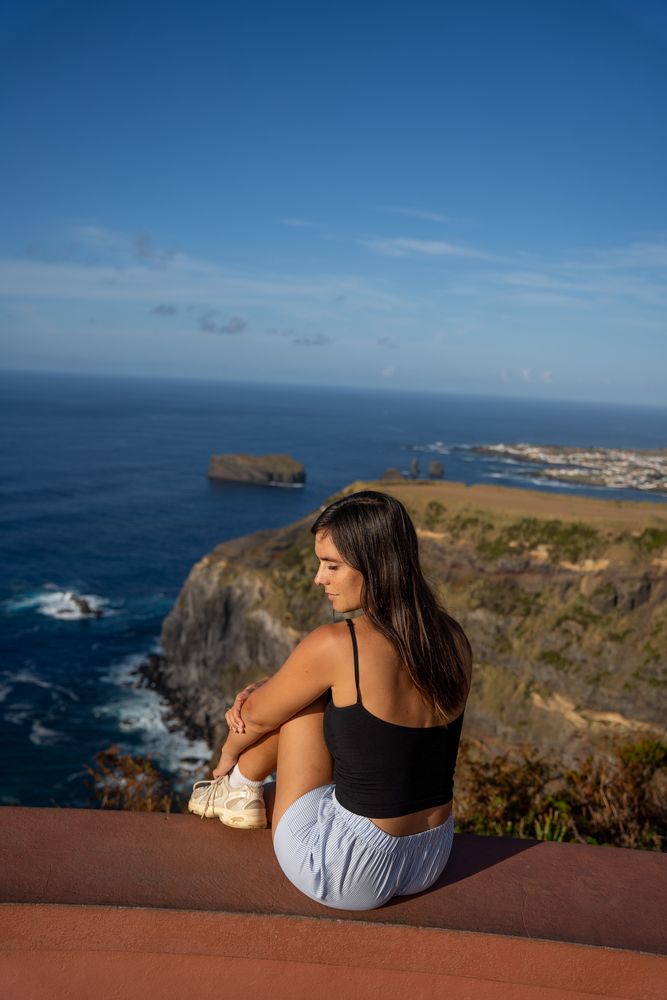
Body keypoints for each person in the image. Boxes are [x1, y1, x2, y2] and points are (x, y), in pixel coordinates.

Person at [188, 490, 473, 910]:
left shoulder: (339, 645)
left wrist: (228, 754)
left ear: (377, 567)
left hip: (346, 871)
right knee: (309, 689)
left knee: (301, 699)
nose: (319, 578)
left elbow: (261, 718)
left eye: (332, 566)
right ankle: (240, 784)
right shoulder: (452, 638)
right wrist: (281, 683)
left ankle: (237, 786)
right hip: (430, 855)